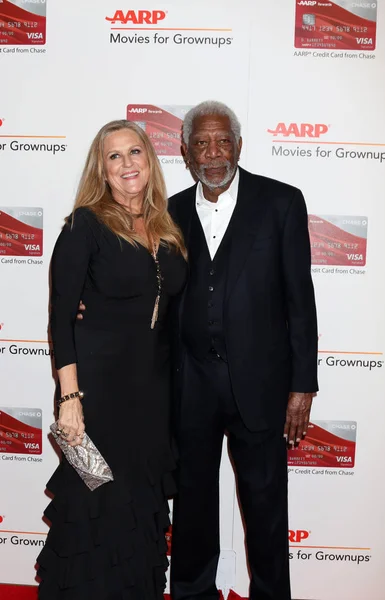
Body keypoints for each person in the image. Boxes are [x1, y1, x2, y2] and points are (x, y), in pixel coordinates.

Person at [168, 101, 318, 600]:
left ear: (238, 145)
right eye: (202, 144)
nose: (213, 154)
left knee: (266, 506)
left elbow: (300, 301)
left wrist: (302, 385)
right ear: (186, 152)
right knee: (192, 502)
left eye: (222, 141)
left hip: (261, 383)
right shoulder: (169, 211)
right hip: (191, 382)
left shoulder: (280, 203)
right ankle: (193, 592)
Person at [36, 120, 187, 600]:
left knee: (140, 510)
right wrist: (70, 400)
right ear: (101, 170)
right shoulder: (85, 224)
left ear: (150, 159)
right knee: (93, 508)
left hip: (152, 400)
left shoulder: (167, 226)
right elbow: (61, 318)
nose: (127, 164)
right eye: (114, 156)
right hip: (95, 399)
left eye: (134, 152)